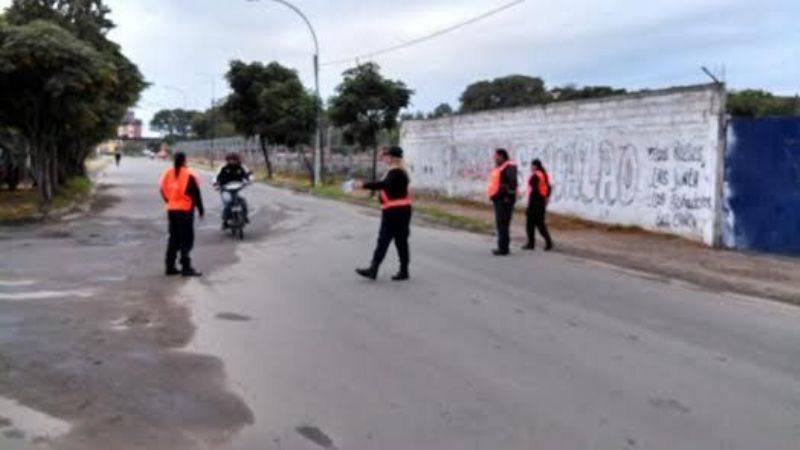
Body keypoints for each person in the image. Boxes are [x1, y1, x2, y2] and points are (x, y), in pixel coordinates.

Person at [354, 146, 413, 281]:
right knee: (400, 241)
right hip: (400, 211)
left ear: (392, 158)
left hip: (394, 212)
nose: (384, 158)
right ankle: (403, 271)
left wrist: (363, 185)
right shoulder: (399, 172)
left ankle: (373, 269)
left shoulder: (396, 172)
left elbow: (384, 184)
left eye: (386, 155)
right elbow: (392, 189)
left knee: (385, 240)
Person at [159, 152, 204, 277]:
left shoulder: (168, 173)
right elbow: (196, 194)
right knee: (186, 239)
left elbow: (162, 190)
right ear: (184, 160)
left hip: (172, 209)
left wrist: (170, 201)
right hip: (185, 210)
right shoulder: (189, 175)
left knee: (173, 238)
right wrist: (200, 209)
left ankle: (170, 266)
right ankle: (186, 267)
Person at [487, 148, 518, 256]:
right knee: (501, 224)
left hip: (504, 200)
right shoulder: (500, 167)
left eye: (496, 157)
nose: (495, 159)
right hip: (498, 198)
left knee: (503, 223)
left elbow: (512, 183)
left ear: (502, 156)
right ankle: (503, 246)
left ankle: (503, 248)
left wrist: (508, 197)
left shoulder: (509, 167)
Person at [213, 152, 252, 229]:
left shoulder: (242, 167)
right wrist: (215, 184)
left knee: (243, 201)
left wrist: (250, 180)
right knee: (228, 202)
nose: (232, 161)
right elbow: (215, 176)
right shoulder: (222, 167)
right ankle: (225, 220)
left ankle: (244, 216)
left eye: (234, 160)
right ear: (227, 160)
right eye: (230, 160)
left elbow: (249, 174)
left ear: (238, 160)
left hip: (238, 187)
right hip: (225, 188)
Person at [523, 159, 554, 251]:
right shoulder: (544, 174)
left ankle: (532, 243)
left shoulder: (536, 175)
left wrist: (529, 206)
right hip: (541, 202)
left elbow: (534, 189)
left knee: (531, 224)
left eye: (532, 166)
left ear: (535, 166)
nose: (530, 168)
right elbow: (548, 187)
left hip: (535, 202)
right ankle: (547, 242)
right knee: (539, 224)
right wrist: (547, 198)